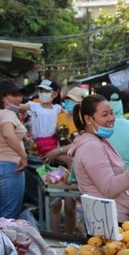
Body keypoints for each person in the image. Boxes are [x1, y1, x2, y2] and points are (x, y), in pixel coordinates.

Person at [68, 94, 129, 223]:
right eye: (105, 115)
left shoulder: (100, 141)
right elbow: (109, 188)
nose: (111, 118)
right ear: (88, 119)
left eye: (111, 113)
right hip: (108, 221)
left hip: (114, 217)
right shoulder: (91, 147)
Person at [42, 86, 87, 235]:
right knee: (54, 204)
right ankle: (55, 237)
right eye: (67, 100)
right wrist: (56, 153)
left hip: (76, 165)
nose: (68, 103)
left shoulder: (84, 120)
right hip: (59, 165)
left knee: (70, 206)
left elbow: (80, 141)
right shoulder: (60, 116)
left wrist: (58, 151)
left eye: (72, 101)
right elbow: (56, 139)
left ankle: (69, 237)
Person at [0, 79, 28, 219]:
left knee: (1, 218)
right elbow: (8, 135)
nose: (18, 98)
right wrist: (23, 156)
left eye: (20, 94)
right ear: (3, 97)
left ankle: (0, 241)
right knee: (9, 218)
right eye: (14, 95)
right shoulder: (8, 114)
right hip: (10, 167)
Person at [95, 84, 129, 193]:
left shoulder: (93, 127)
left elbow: (78, 163)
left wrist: (72, 179)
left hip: (96, 193)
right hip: (126, 192)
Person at [20, 79, 63, 156]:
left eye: (46, 91)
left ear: (55, 94)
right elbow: (17, 107)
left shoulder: (57, 108)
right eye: (41, 91)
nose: (43, 93)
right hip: (37, 144)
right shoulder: (34, 106)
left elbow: (71, 116)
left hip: (54, 143)